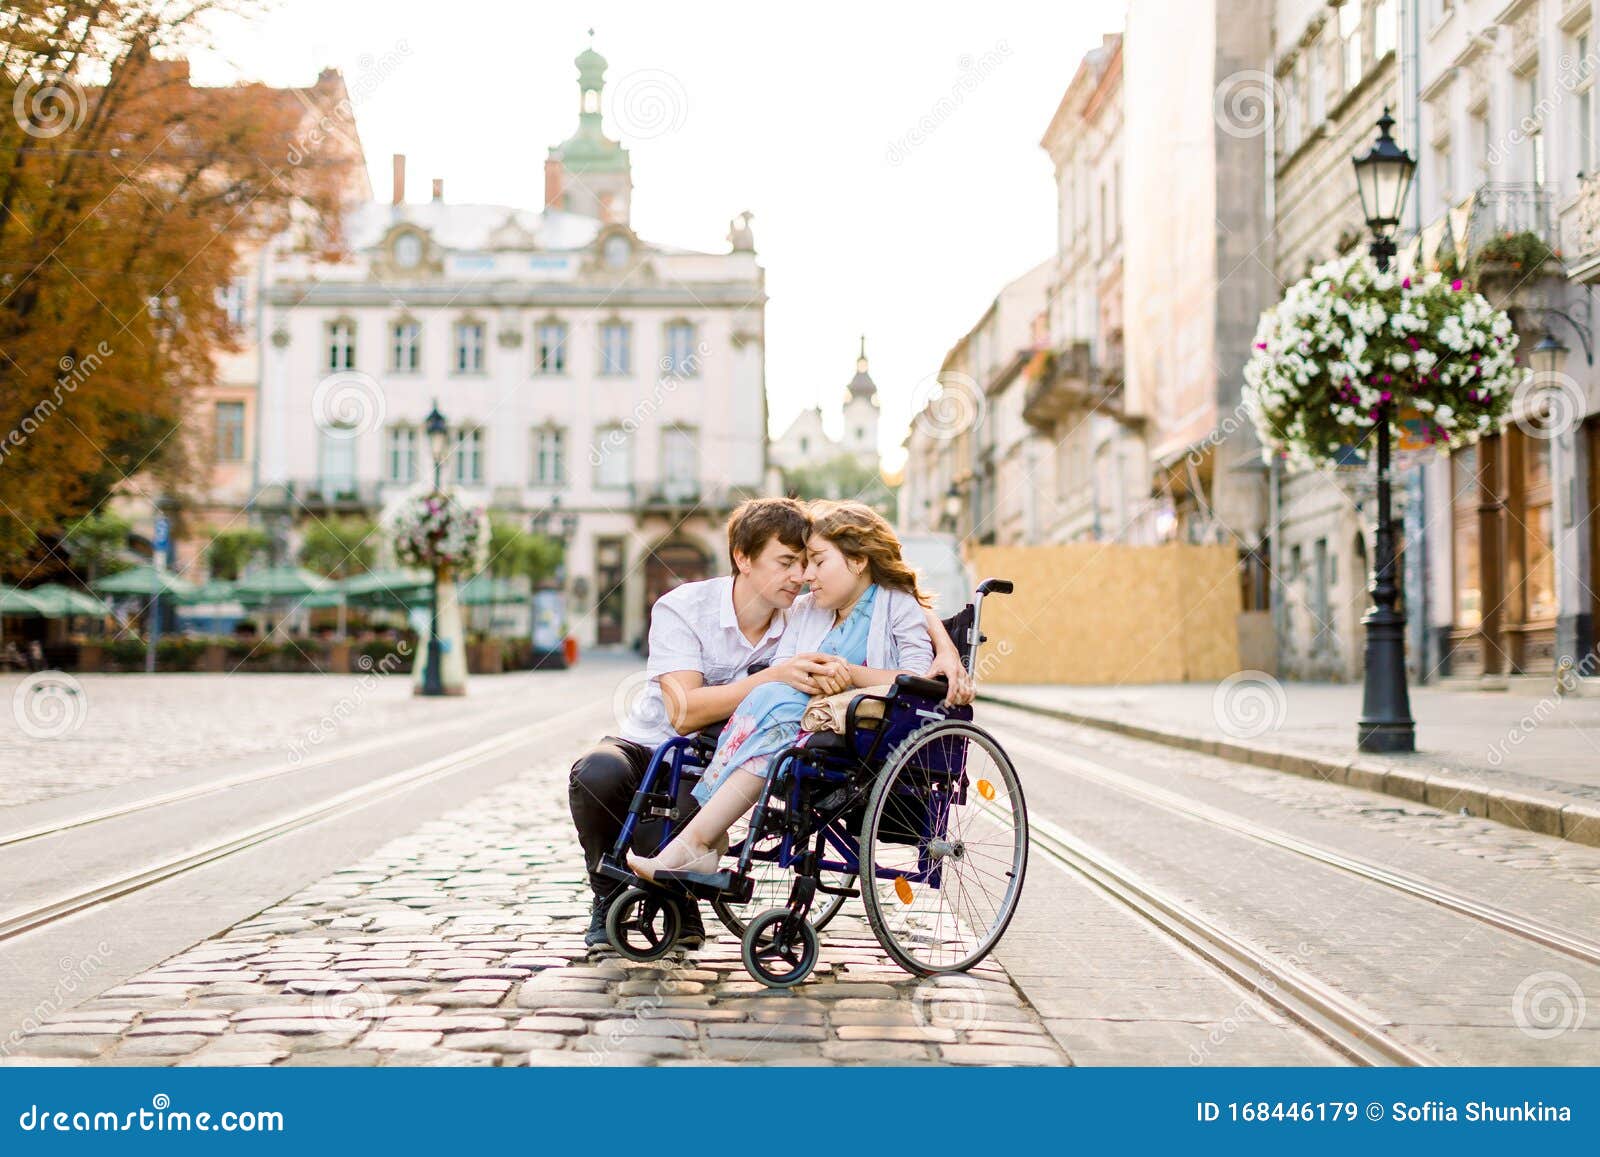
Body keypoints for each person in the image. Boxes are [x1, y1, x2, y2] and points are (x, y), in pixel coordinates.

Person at [568, 498, 972, 950]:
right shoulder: (693, 607)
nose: (802, 576)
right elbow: (683, 714)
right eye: (788, 563)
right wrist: (784, 675)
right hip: (663, 743)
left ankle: (679, 897)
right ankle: (609, 899)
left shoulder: (803, 607)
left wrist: (947, 650)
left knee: (708, 782)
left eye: (809, 563)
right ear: (743, 558)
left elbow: (890, 599)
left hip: (731, 749)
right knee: (597, 775)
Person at [628, 500, 934, 882]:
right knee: (772, 700)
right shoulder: (810, 609)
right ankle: (698, 841)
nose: (807, 576)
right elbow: (787, 665)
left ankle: (697, 841)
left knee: (778, 715)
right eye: (799, 564)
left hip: (864, 728)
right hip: (806, 719)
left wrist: (850, 674)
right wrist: (809, 676)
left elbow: (917, 679)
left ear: (857, 562)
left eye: (817, 562)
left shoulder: (896, 606)